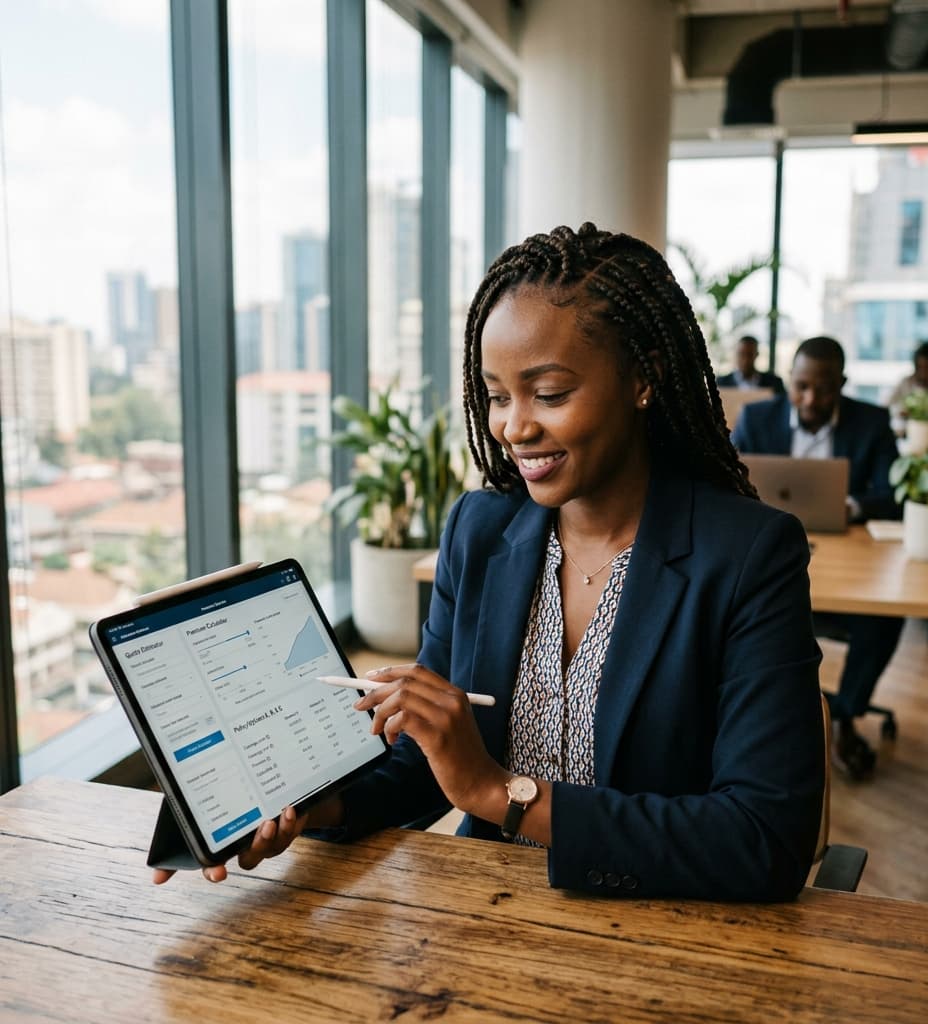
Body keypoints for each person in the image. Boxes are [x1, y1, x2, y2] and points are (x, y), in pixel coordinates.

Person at [157, 224, 824, 900]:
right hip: (483, 913)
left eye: (551, 393)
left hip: (661, 925)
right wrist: (309, 809)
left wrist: (497, 792)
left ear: (644, 378)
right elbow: (427, 762)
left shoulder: (747, 556)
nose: (513, 427)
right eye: (498, 395)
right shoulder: (480, 531)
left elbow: (766, 838)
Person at [731, 336, 903, 780]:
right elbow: (729, 485)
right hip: (768, 557)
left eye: (822, 389)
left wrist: (852, 506)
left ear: (841, 384)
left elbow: (891, 495)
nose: (810, 399)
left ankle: (842, 716)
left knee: (886, 619)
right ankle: (758, 729)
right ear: (790, 380)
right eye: (801, 386)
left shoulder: (871, 422)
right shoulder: (757, 416)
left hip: (850, 560)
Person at [716, 335, 786, 394]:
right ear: (736, 355)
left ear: (757, 355)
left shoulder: (773, 382)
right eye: (741, 354)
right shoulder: (721, 383)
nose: (745, 360)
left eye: (750, 355)